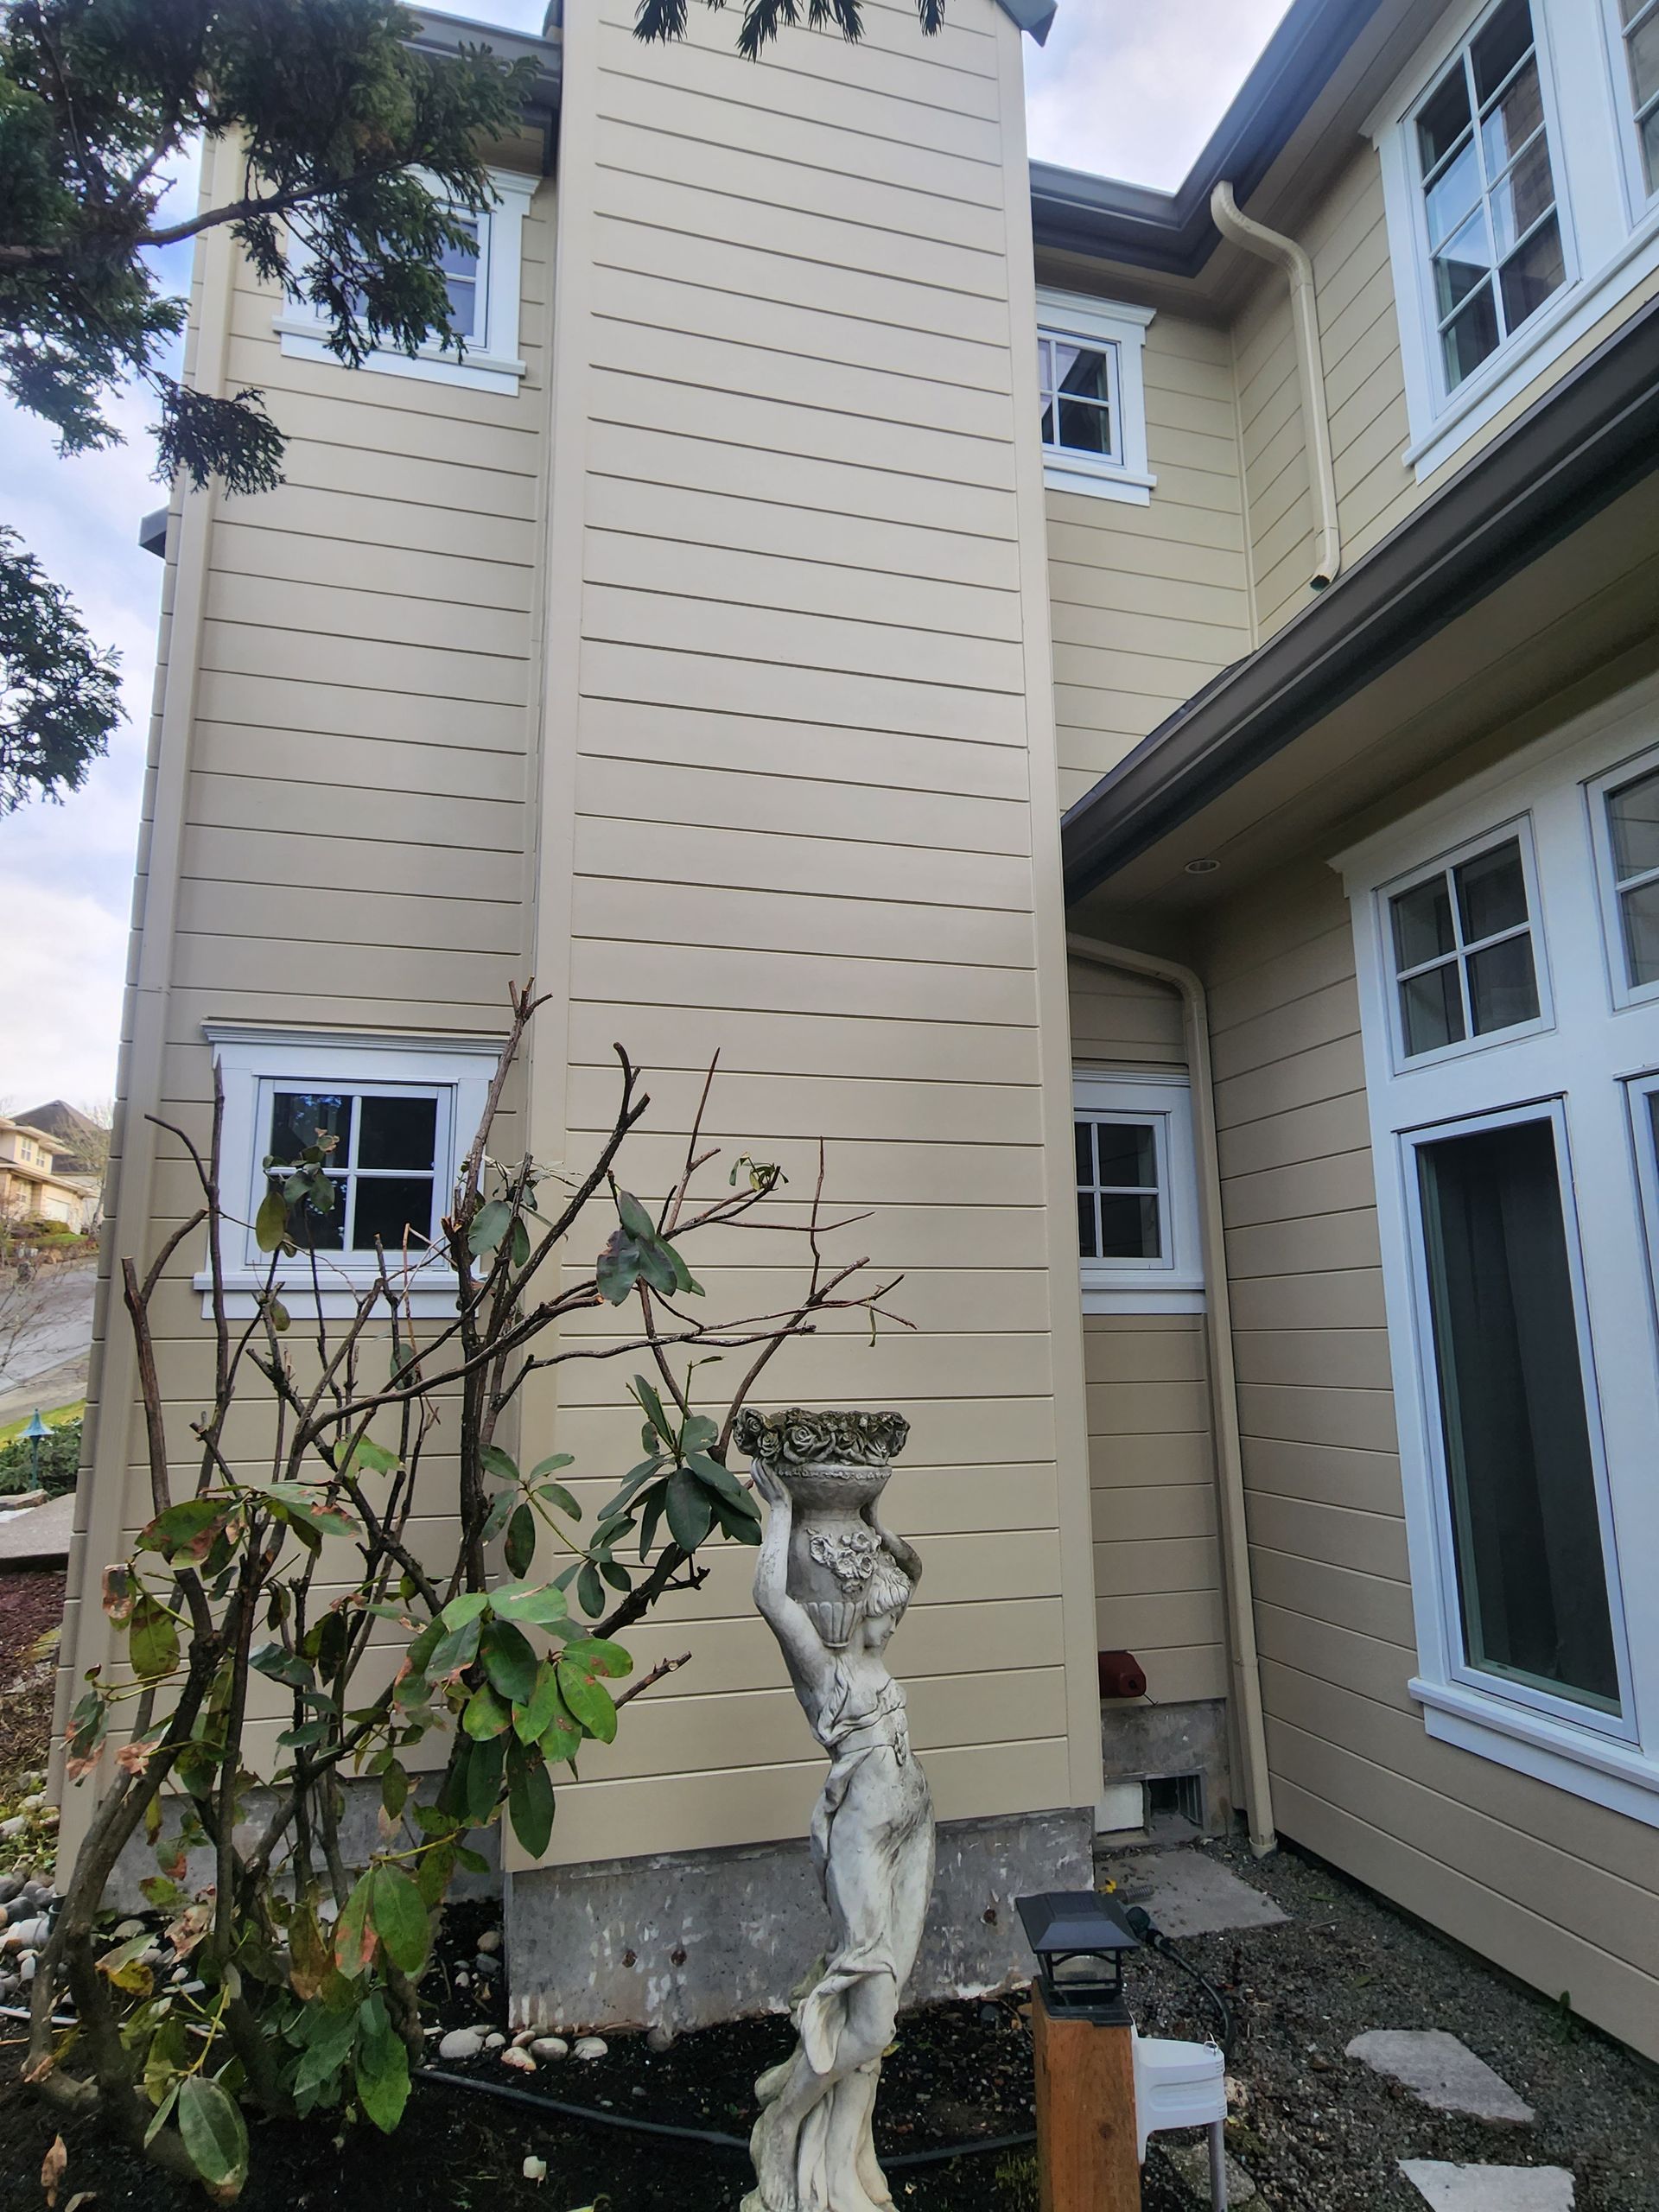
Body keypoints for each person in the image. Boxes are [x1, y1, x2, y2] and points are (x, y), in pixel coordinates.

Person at [744, 1461, 935, 2212]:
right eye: (873, 1598)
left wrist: (879, 1515)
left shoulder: (878, 1661)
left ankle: (849, 2161)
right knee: (870, 2012)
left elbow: (913, 1570)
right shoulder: (825, 1674)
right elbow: (770, 1596)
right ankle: (785, 2125)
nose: (889, 1608)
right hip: (861, 1831)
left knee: (880, 2016)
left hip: (917, 1818)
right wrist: (779, 1513)